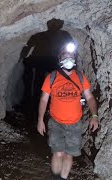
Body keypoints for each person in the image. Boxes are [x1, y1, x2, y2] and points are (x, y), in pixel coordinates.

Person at [37, 41, 99, 180]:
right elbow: (43, 100)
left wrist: (94, 115)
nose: (68, 59)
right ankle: (56, 178)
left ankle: (63, 178)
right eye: (65, 56)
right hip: (56, 122)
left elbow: (89, 98)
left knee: (69, 154)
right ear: (60, 59)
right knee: (58, 153)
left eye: (71, 56)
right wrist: (40, 120)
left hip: (75, 123)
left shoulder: (80, 77)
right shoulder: (52, 77)